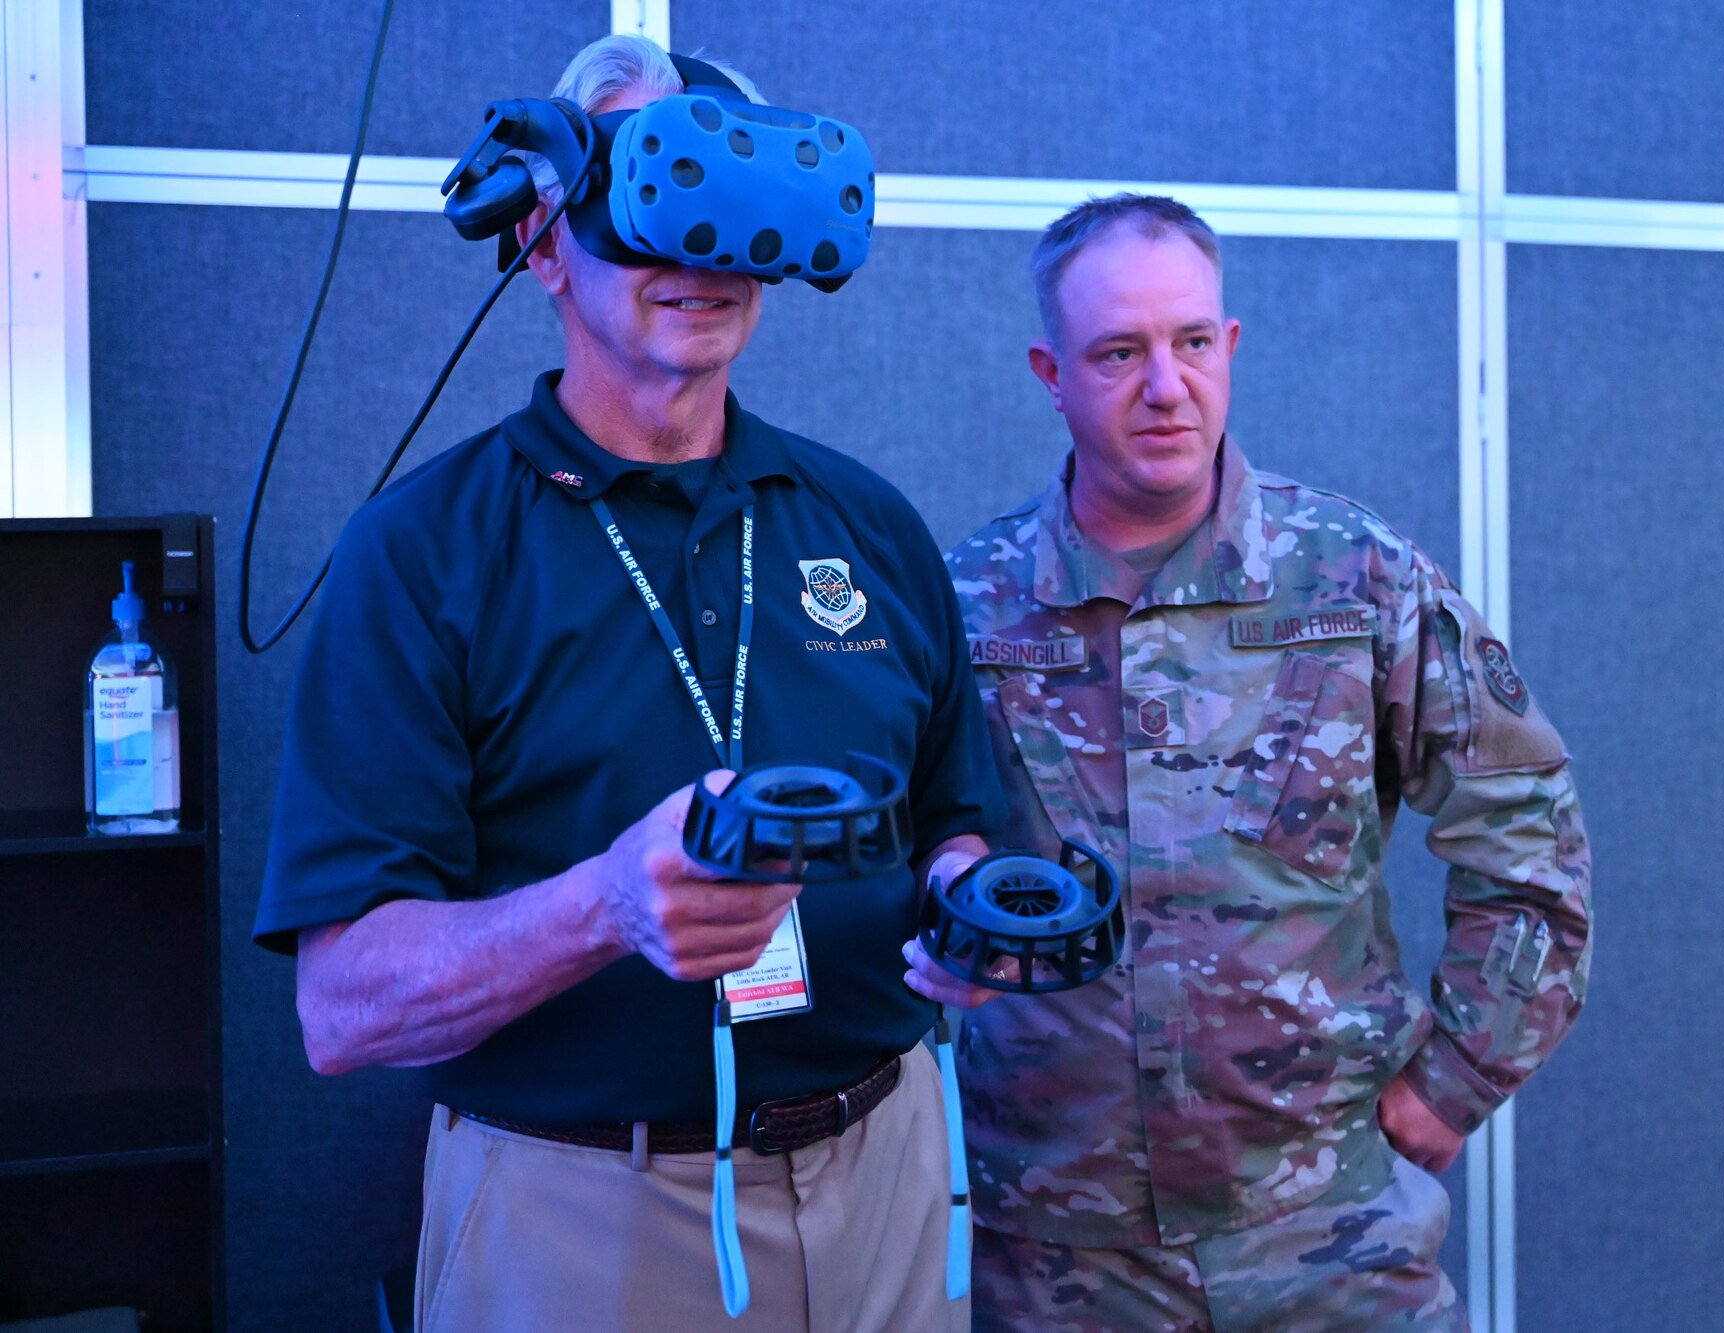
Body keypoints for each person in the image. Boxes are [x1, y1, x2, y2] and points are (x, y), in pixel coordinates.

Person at [252, 35, 1000, 1333]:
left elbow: (958, 814)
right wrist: (605, 906)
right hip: (581, 1214)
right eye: (653, 189)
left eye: (729, 196)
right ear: (543, 239)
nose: (697, 248)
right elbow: (343, 1006)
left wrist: (971, 904)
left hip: (889, 1178)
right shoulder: (424, 555)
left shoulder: (867, 525)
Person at [944, 194, 1594, 1332]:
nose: (1164, 384)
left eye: (1191, 341)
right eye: (1117, 352)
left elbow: (1528, 833)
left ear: (1228, 346)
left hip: (1326, 1244)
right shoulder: (968, 605)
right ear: (1050, 370)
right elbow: (894, 869)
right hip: (1053, 1257)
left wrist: (1456, 1079)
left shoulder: (1354, 582)